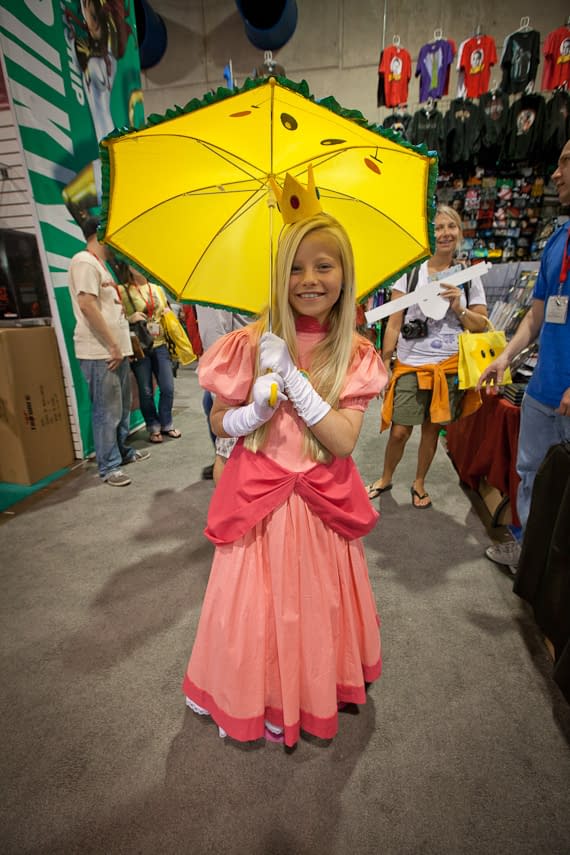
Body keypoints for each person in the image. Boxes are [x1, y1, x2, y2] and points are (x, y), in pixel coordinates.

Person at [182, 210, 388, 747]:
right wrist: (249, 415)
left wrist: (294, 379)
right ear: (278, 273)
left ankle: (313, 695)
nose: (310, 280)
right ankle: (257, 698)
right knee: (258, 613)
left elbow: (342, 441)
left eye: (324, 266)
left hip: (321, 507)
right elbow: (217, 420)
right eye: (295, 268)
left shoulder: (356, 353)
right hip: (259, 503)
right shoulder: (246, 344)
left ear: (345, 274)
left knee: (315, 611)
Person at [478, 141, 570, 572]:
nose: (556, 174)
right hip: (541, 390)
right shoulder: (557, 241)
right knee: (530, 473)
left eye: (566, 162)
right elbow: (535, 317)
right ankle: (531, 559)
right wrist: (505, 358)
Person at [366, 205, 488, 508]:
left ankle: (419, 483)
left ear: (459, 232)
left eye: (451, 226)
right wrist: (384, 362)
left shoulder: (469, 276)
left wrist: (459, 307)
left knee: (432, 430)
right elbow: (393, 322)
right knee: (400, 431)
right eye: (438, 227)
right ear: (428, 234)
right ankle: (386, 477)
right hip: (411, 364)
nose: (445, 233)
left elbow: (481, 326)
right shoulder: (409, 274)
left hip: (448, 367)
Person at [68, 218, 150, 486]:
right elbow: (87, 305)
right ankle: (109, 466)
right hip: (100, 352)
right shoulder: (84, 262)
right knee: (107, 410)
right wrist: (112, 346)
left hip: (116, 350)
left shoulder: (100, 266)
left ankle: (122, 453)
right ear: (99, 234)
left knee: (122, 406)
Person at [119, 266, 181, 444]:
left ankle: (166, 424)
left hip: (161, 344)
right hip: (141, 346)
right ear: (128, 266)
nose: (137, 267)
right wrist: (129, 319)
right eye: (132, 263)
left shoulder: (157, 289)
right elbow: (116, 318)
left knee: (167, 387)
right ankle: (153, 427)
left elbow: (166, 311)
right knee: (145, 391)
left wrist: (168, 315)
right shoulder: (123, 290)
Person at [195, 306, 251, 481]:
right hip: (239, 379)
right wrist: (225, 390)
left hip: (253, 371)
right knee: (230, 454)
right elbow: (214, 338)